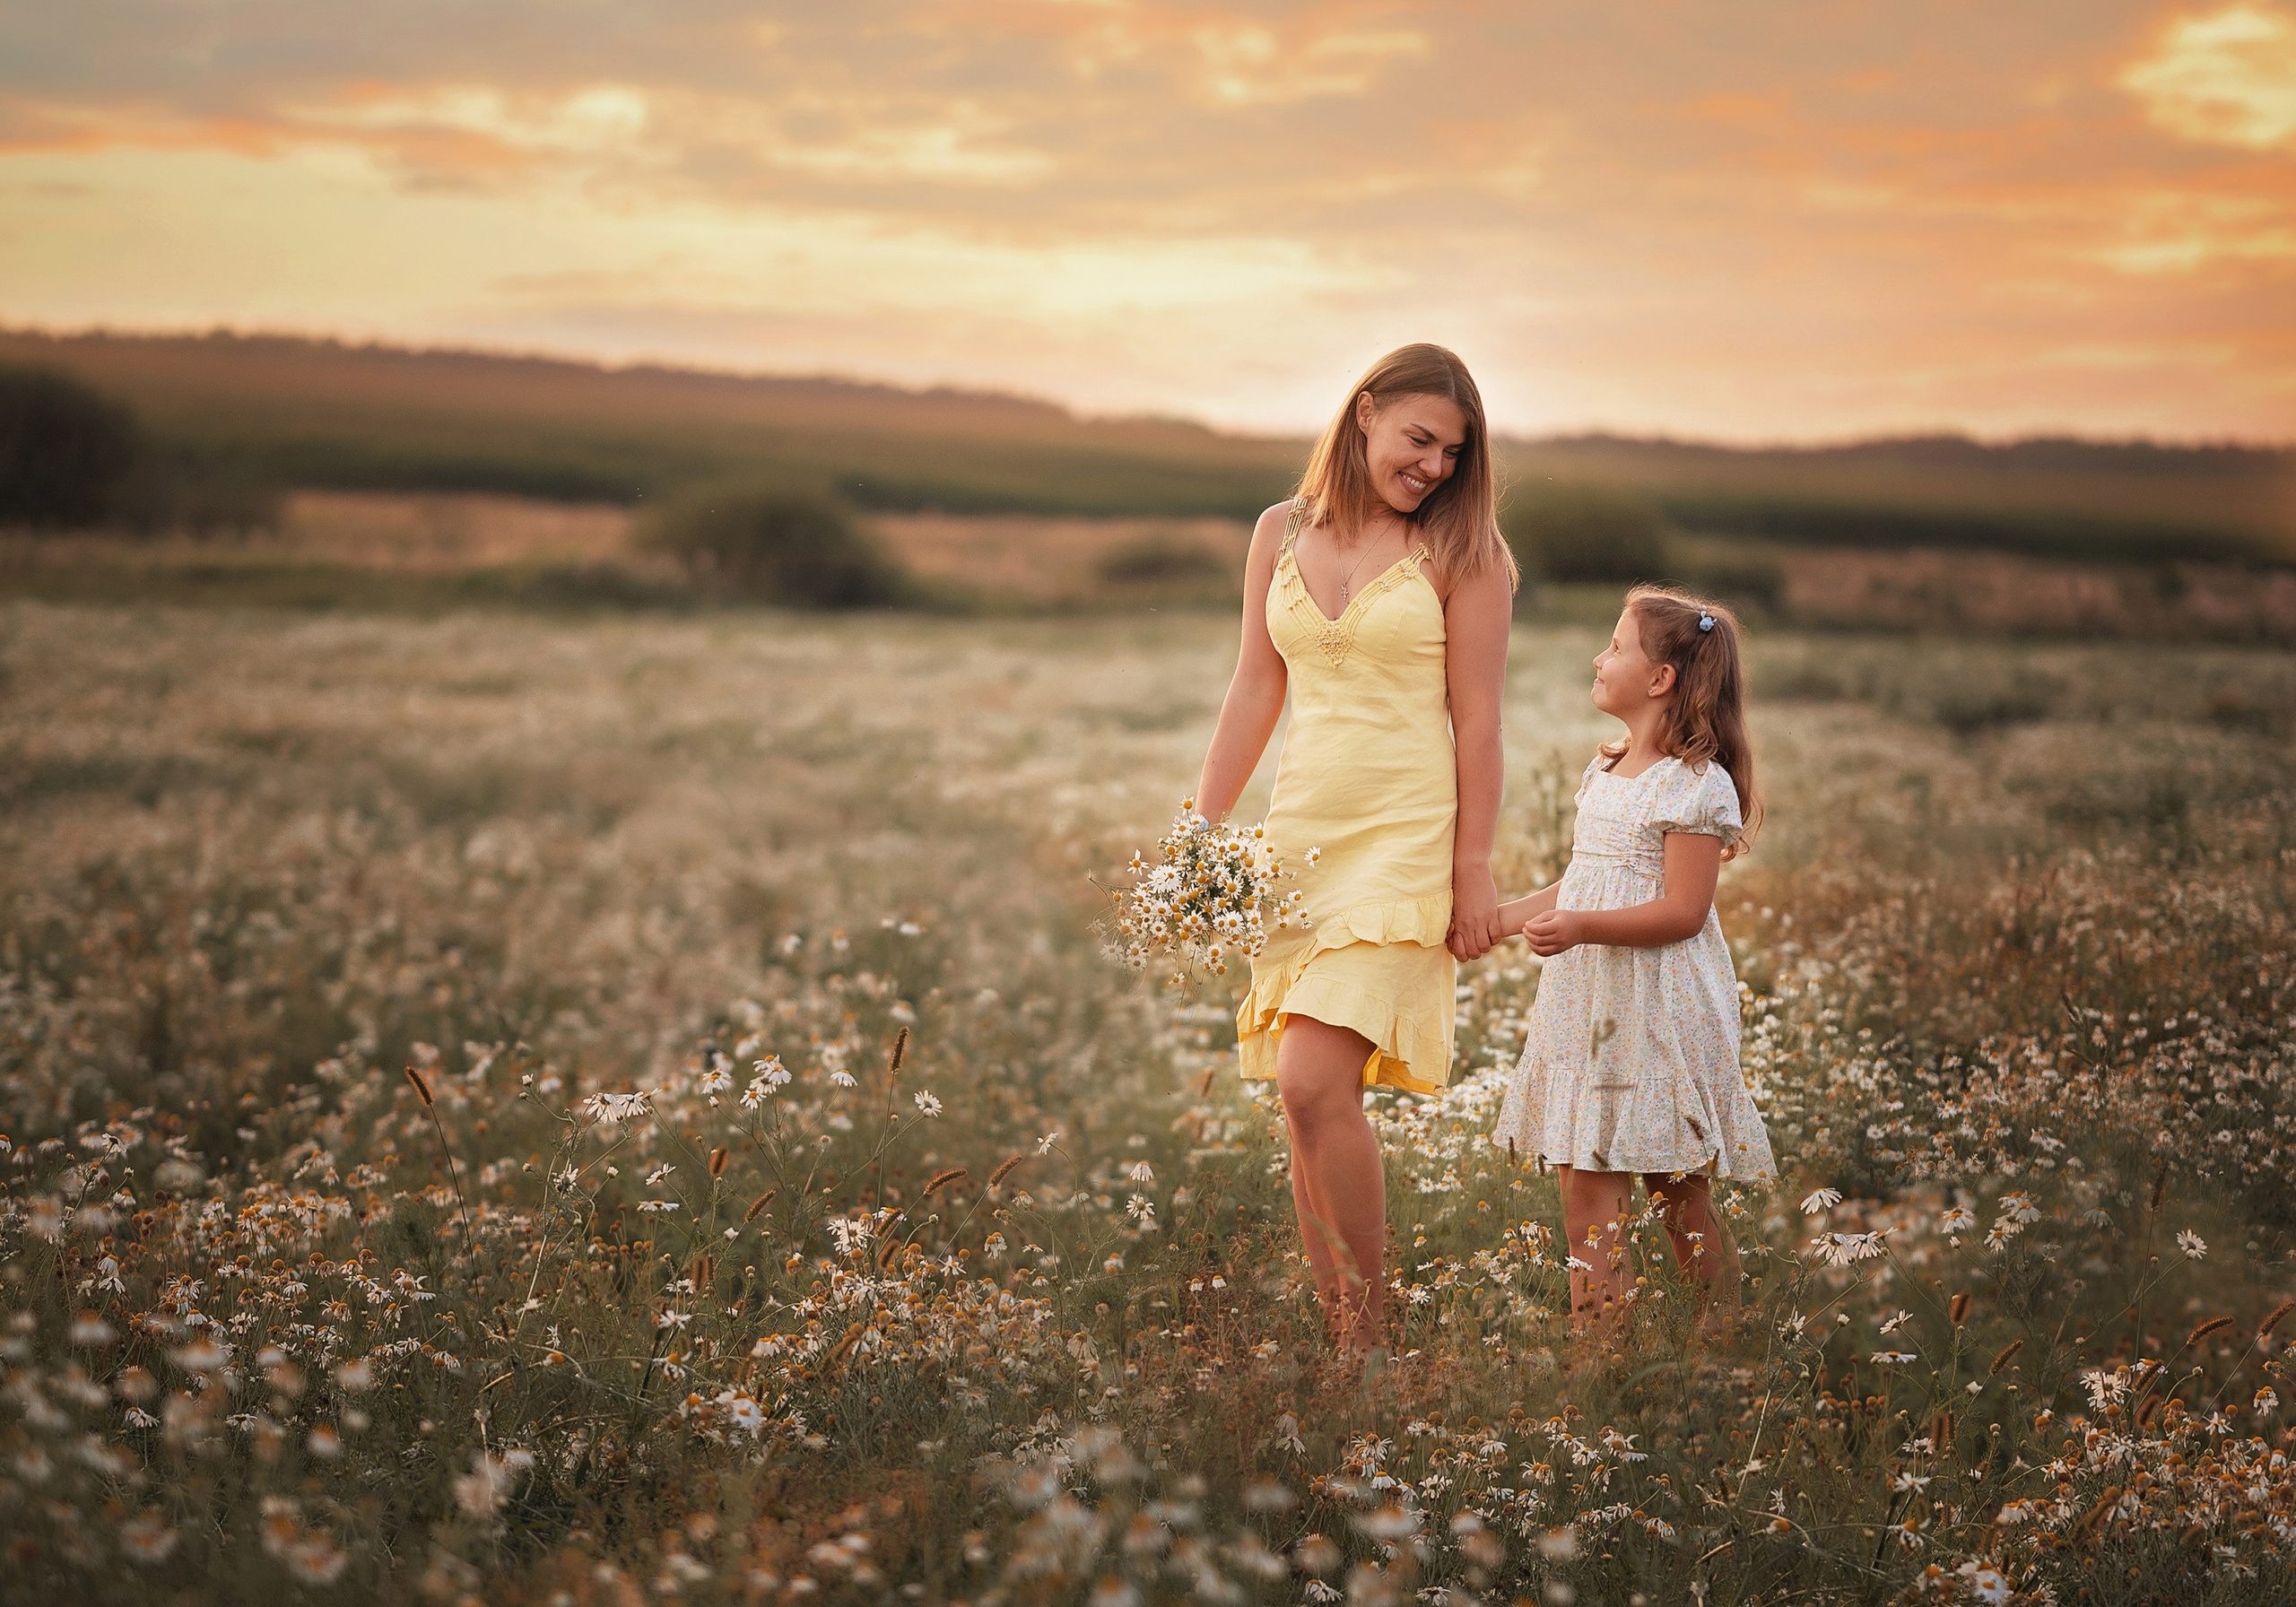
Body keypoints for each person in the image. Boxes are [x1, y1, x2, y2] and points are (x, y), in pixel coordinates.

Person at [1192, 343, 1518, 1355]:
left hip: (1404, 843)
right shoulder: (1277, 532)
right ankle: (1348, 1348)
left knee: (1308, 1082)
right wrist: (1198, 834)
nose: (1433, 467)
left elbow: (1481, 723)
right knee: (1303, 1105)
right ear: (1365, 414)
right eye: (1419, 440)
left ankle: (1369, 1342)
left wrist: (1472, 874)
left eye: (1452, 454)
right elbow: (1255, 686)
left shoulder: (1468, 556)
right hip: (1300, 845)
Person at [1490, 585, 1776, 1332]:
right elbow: (1581, 879)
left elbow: (1683, 910)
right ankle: (1599, 1359)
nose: (1598, 656)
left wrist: (1580, 926)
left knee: (1675, 1192)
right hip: (1591, 1008)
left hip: (1659, 1011)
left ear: (1660, 680)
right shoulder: (1607, 769)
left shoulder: (1695, 784)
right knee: (1584, 1187)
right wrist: (1500, 919)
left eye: (1615, 646)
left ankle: (1724, 1343)